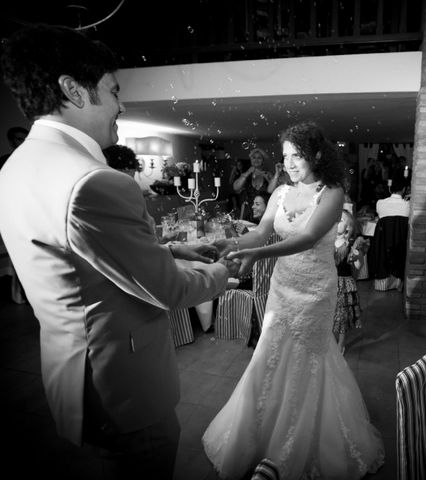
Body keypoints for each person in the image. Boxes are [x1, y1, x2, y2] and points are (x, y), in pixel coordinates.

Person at [0, 24, 239, 480]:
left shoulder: (15, 167)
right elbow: (167, 291)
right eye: (112, 91)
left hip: (72, 371)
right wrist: (221, 270)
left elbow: (87, 259)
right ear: (73, 90)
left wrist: (176, 248)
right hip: (122, 386)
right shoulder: (94, 181)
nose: (121, 104)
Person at [202, 121, 384, 479]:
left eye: (296, 155)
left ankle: (290, 449)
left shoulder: (331, 192)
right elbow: (260, 232)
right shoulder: (280, 194)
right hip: (283, 288)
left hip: (315, 290)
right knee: (271, 351)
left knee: (305, 357)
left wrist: (260, 256)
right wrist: (233, 244)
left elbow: (309, 237)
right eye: (285, 156)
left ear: (315, 154)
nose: (289, 163)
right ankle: (260, 437)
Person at [332, 209, 365, 354]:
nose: (336, 222)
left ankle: (340, 343)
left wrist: (358, 257)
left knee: (343, 316)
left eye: (340, 220)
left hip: (345, 284)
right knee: (330, 314)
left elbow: (358, 266)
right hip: (329, 282)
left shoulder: (352, 244)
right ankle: (332, 342)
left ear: (348, 226)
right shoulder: (328, 242)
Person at [233, 147, 273, 220]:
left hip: (264, 213)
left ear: (263, 160)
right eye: (254, 158)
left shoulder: (268, 174)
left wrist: (268, 178)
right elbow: (236, 187)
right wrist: (248, 172)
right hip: (248, 212)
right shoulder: (246, 174)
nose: (256, 160)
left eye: (259, 158)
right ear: (251, 160)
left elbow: (275, 192)